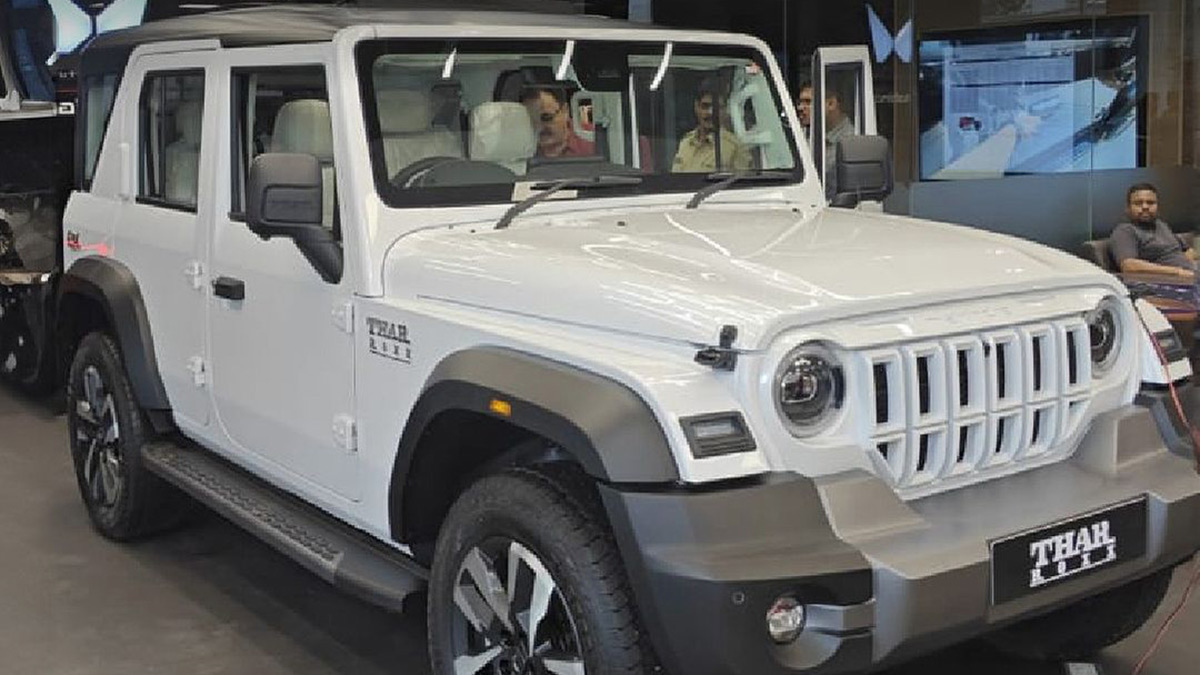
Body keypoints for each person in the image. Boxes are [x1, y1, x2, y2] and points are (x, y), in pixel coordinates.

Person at [1111, 183, 1196, 280]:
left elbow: (1187, 249)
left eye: (1150, 203)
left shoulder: (1161, 225)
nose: (1145, 207)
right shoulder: (1125, 231)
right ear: (1128, 208)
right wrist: (1177, 271)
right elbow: (1129, 266)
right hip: (1170, 282)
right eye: (1138, 203)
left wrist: (1188, 263)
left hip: (1191, 275)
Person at [672, 79, 753, 173]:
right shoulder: (686, 143)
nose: (710, 113)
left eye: (716, 107)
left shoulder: (735, 148)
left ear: (724, 110)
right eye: (705, 106)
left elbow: (743, 181)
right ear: (696, 107)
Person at [520, 87, 595, 158]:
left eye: (546, 117)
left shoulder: (593, 137)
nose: (539, 126)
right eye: (531, 121)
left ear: (565, 111)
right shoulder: (519, 148)